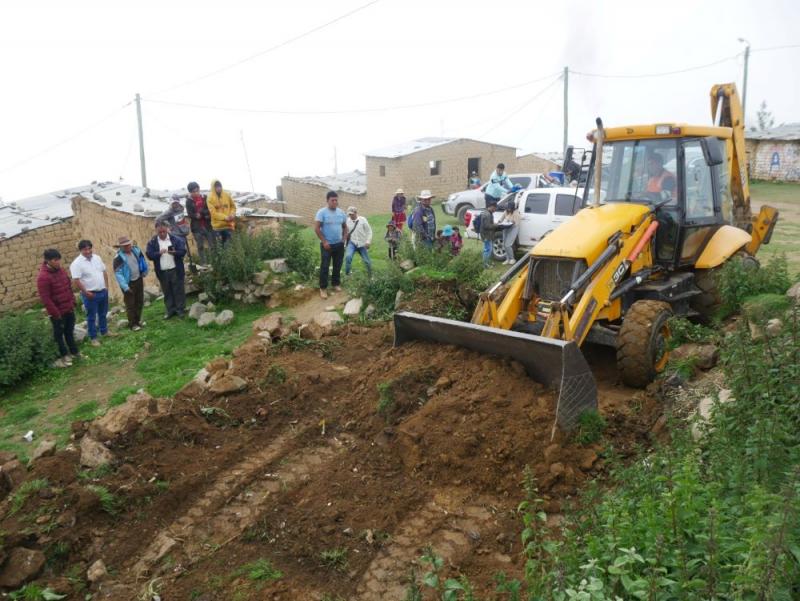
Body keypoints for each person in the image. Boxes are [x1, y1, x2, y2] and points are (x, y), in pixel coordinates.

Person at [37, 249, 79, 368]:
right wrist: (56, 314)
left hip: (68, 307)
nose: (58, 262)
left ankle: (75, 352)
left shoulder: (61, 270)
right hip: (57, 312)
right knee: (59, 335)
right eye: (55, 260)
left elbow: (68, 287)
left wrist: (72, 301)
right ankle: (64, 356)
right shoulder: (43, 277)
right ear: (48, 261)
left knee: (69, 332)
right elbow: (46, 299)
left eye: (58, 259)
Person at [70, 239, 114, 347]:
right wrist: (85, 292)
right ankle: (93, 338)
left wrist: (106, 287)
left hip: (102, 291)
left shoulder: (97, 258)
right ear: (80, 250)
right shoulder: (76, 264)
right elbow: (76, 280)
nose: (88, 251)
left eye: (89, 248)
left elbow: (104, 272)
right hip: (90, 294)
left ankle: (104, 331)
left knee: (103, 313)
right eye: (85, 249)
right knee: (91, 317)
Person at [146, 221, 187, 319]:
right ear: (156, 231)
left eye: (164, 231)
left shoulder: (175, 239)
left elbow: (183, 251)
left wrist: (174, 252)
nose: (162, 234)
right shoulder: (153, 242)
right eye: (160, 232)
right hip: (162, 271)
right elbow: (149, 255)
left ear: (167, 229)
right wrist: (158, 253)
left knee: (178, 290)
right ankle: (170, 310)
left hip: (175, 269)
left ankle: (180, 309)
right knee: (167, 291)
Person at [314, 191, 348, 299]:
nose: (335, 202)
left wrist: (343, 239)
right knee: (325, 266)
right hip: (326, 246)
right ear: (327, 201)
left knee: (337, 265)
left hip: (339, 244)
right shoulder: (321, 212)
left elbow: (345, 227)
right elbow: (317, 228)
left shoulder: (341, 213)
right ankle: (323, 288)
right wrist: (324, 242)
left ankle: (335, 284)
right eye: (332, 200)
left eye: (336, 200)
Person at [112, 236, 149, 331]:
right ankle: (133, 324)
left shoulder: (136, 250)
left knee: (139, 301)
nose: (127, 247)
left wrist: (144, 271)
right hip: (128, 283)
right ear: (121, 247)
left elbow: (142, 260)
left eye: (128, 244)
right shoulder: (118, 257)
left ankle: (138, 320)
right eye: (124, 246)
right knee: (130, 304)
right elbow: (118, 273)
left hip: (138, 279)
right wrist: (125, 287)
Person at [185, 182, 214, 263]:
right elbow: (190, 214)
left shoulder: (205, 198)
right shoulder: (189, 201)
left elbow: (210, 209)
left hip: (207, 225)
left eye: (197, 190)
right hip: (197, 227)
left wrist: (202, 214)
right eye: (193, 192)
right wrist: (195, 216)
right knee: (200, 246)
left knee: (212, 245)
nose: (196, 193)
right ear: (190, 192)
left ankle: (214, 262)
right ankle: (203, 263)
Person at [344, 206, 373, 277]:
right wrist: (344, 244)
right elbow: (345, 233)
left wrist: (368, 241)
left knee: (367, 261)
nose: (350, 216)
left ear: (356, 213)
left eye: (352, 214)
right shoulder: (347, 221)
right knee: (348, 257)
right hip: (352, 243)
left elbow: (369, 231)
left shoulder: (363, 220)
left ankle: (370, 276)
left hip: (362, 243)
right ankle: (347, 274)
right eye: (349, 214)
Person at [207, 179, 236, 244]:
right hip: (217, 227)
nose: (219, 188)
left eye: (220, 186)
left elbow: (233, 206)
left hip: (228, 225)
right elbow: (213, 213)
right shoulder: (210, 198)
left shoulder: (227, 195)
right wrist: (225, 217)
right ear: (213, 188)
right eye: (216, 186)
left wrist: (232, 214)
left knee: (229, 246)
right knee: (220, 247)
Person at [501, 200, 521, 265]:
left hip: (513, 228)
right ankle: (507, 259)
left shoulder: (516, 213)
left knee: (508, 244)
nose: (508, 209)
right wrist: (499, 221)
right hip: (506, 228)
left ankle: (512, 258)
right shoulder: (506, 211)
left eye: (510, 208)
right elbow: (501, 218)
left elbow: (516, 223)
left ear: (512, 208)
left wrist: (511, 222)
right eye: (508, 208)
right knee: (504, 244)